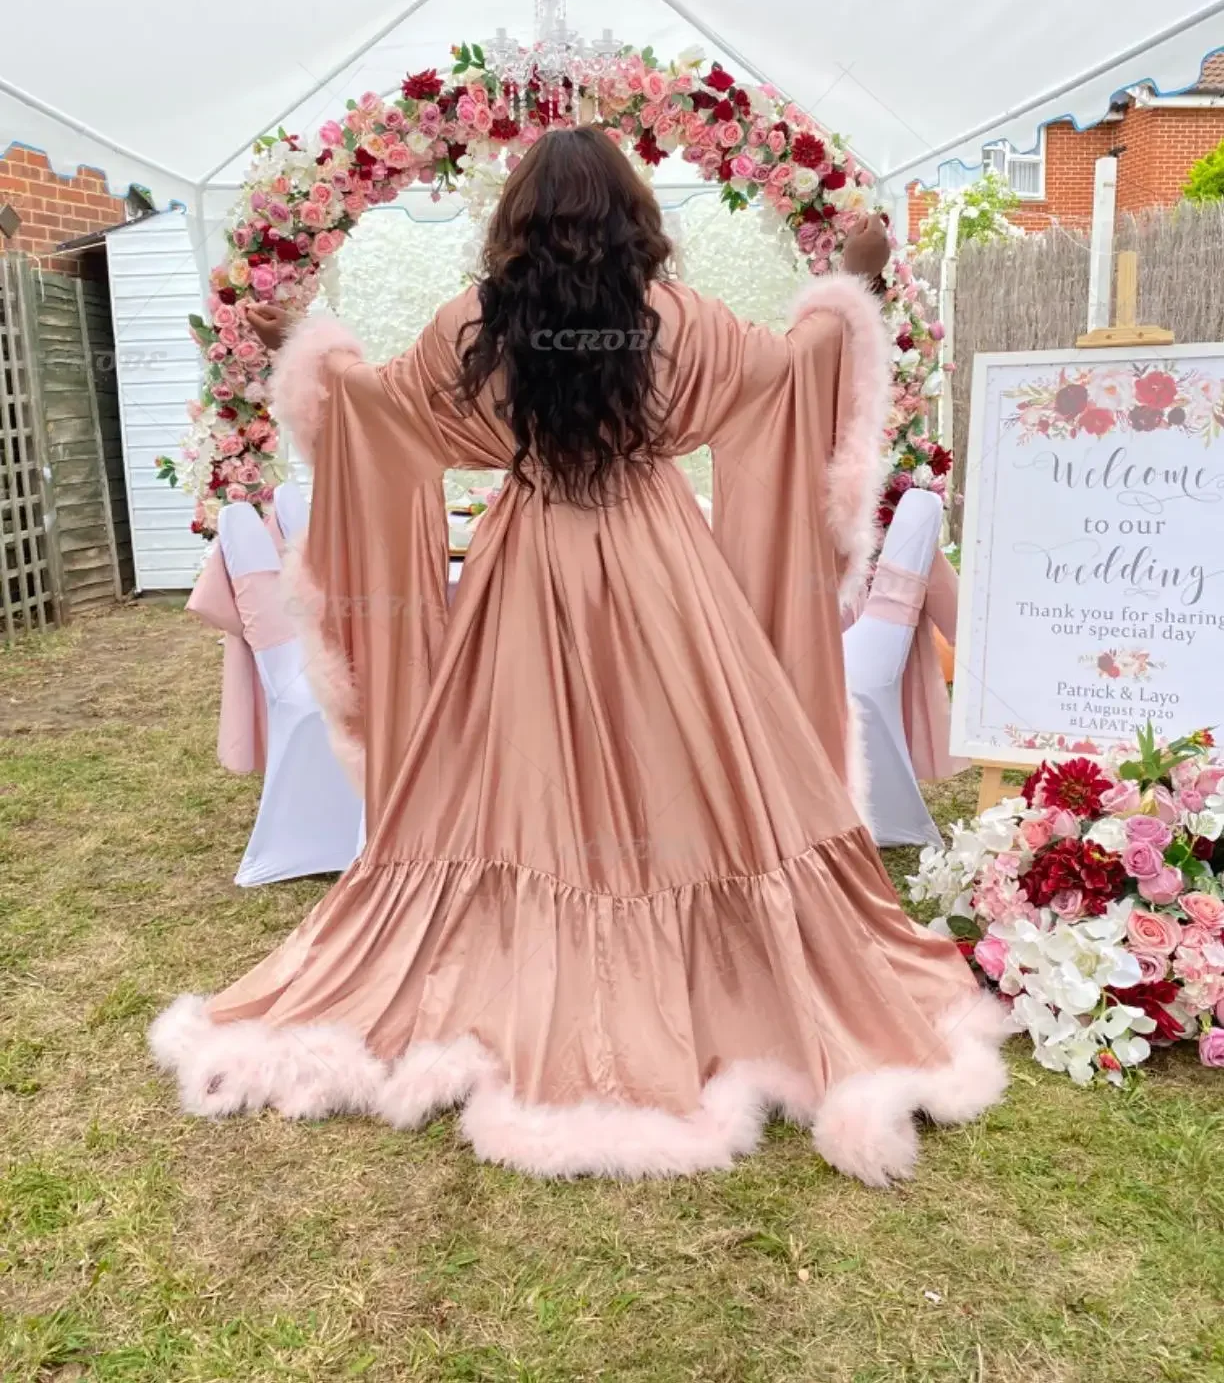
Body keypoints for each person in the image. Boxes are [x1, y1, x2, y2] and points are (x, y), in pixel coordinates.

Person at [150, 127, 1008, 1185]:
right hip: (662, 566)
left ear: (515, 225)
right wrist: (851, 282)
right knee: (685, 747)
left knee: (515, 755)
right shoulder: (678, 321)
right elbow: (792, 373)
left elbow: (380, 414)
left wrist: (312, 351)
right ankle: (709, 960)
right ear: (631, 220)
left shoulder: (474, 326)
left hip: (528, 557)